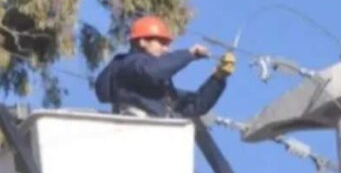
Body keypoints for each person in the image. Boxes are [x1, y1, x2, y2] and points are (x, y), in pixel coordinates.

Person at [94, 15, 236, 118]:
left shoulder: (160, 92)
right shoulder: (129, 64)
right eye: (161, 43)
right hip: (136, 135)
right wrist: (189, 54)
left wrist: (218, 78)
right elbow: (154, 70)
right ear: (143, 42)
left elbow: (195, 106)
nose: (166, 49)